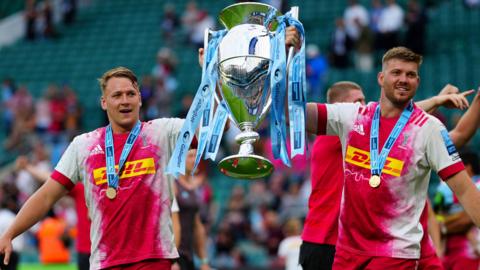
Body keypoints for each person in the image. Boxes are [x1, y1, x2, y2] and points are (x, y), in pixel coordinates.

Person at [304, 47, 480, 269]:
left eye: (410, 75)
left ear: (418, 80)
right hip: (346, 252)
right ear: (380, 77)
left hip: (395, 253)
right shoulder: (351, 117)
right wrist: (286, 60)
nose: (403, 79)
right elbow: (294, 115)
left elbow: (464, 188)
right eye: (396, 72)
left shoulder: (429, 129)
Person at [0, 67, 184, 269]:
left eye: (130, 94)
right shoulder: (84, 146)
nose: (125, 100)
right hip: (105, 263)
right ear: (104, 103)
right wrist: (10, 233)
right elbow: (46, 196)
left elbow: (213, 130)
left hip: (153, 260)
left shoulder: (163, 132)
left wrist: (212, 75)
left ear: (140, 99)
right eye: (117, 95)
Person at [435, 151, 480, 270]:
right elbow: (436, 217)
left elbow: (465, 221)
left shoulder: (478, 186)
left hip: (470, 253)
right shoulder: (444, 190)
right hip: (447, 253)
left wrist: (444, 226)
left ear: (468, 167)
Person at [172, 149, 210, 270]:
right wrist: (172, 261)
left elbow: (197, 226)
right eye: (191, 156)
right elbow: (173, 224)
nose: (195, 160)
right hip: (175, 257)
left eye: (196, 156)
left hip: (188, 255)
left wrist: (204, 261)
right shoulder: (173, 184)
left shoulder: (194, 188)